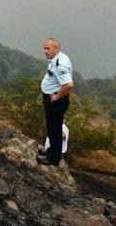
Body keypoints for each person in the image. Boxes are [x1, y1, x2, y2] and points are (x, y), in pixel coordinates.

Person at [37, 38, 74, 166]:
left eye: (48, 48)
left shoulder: (59, 64)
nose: (45, 51)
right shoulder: (58, 58)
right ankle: (51, 151)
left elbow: (69, 84)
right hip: (52, 99)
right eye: (44, 48)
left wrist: (57, 96)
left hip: (56, 101)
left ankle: (53, 159)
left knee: (55, 128)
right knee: (52, 127)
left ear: (57, 48)